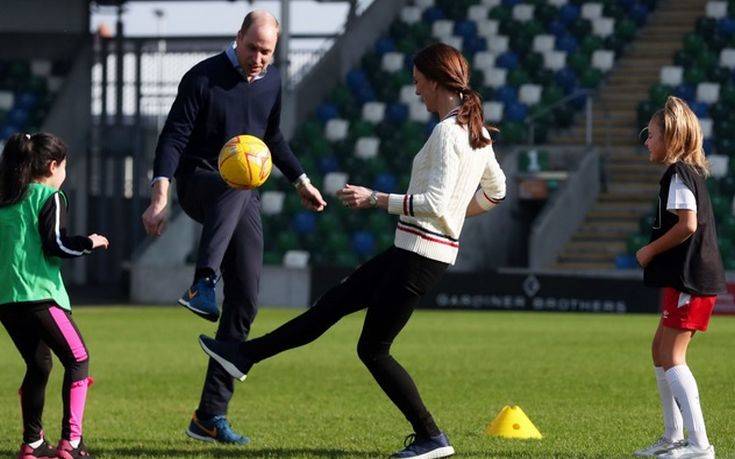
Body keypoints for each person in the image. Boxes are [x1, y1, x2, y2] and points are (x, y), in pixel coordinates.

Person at [197, 42, 507, 458]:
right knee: (332, 304)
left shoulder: (449, 133)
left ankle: (432, 437)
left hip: (420, 255)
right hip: (414, 250)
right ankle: (243, 356)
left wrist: (375, 198)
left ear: (436, 82)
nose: (417, 92)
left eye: (419, 84)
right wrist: (456, 216)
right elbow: (497, 192)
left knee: (373, 349)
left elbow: (435, 203)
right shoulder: (477, 133)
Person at [141, 10, 326, 444]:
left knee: (245, 300)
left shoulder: (273, 82)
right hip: (199, 181)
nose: (259, 58)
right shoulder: (202, 77)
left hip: (243, 191)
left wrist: (302, 180)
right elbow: (172, 137)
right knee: (237, 179)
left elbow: (273, 138)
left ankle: (209, 415)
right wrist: (160, 197)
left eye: (267, 52)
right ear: (237, 37)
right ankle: (202, 282)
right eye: (253, 48)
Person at [0, 133, 109, 459]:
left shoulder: (5, 200)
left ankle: (32, 443)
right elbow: (55, 244)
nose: (65, 174)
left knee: (39, 365)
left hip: (7, 300)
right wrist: (89, 242)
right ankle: (71, 444)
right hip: (39, 296)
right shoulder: (49, 196)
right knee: (78, 359)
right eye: (65, 166)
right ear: (52, 166)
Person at [634, 96, 725, 459]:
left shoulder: (678, 174)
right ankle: (673, 436)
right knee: (660, 351)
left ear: (670, 137)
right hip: (683, 280)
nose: (646, 141)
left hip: (691, 280)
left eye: (651, 134)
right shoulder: (684, 174)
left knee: (673, 356)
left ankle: (699, 445)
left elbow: (688, 225)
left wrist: (650, 250)